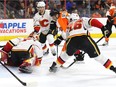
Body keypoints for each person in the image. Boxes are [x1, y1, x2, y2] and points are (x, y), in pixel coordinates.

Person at [49, 13, 116, 74]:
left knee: (65, 55)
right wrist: (103, 28)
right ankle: (113, 68)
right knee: (99, 57)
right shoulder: (82, 19)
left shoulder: (68, 26)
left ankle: (54, 66)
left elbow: (69, 40)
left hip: (71, 41)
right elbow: (92, 21)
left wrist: (77, 54)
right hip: (84, 39)